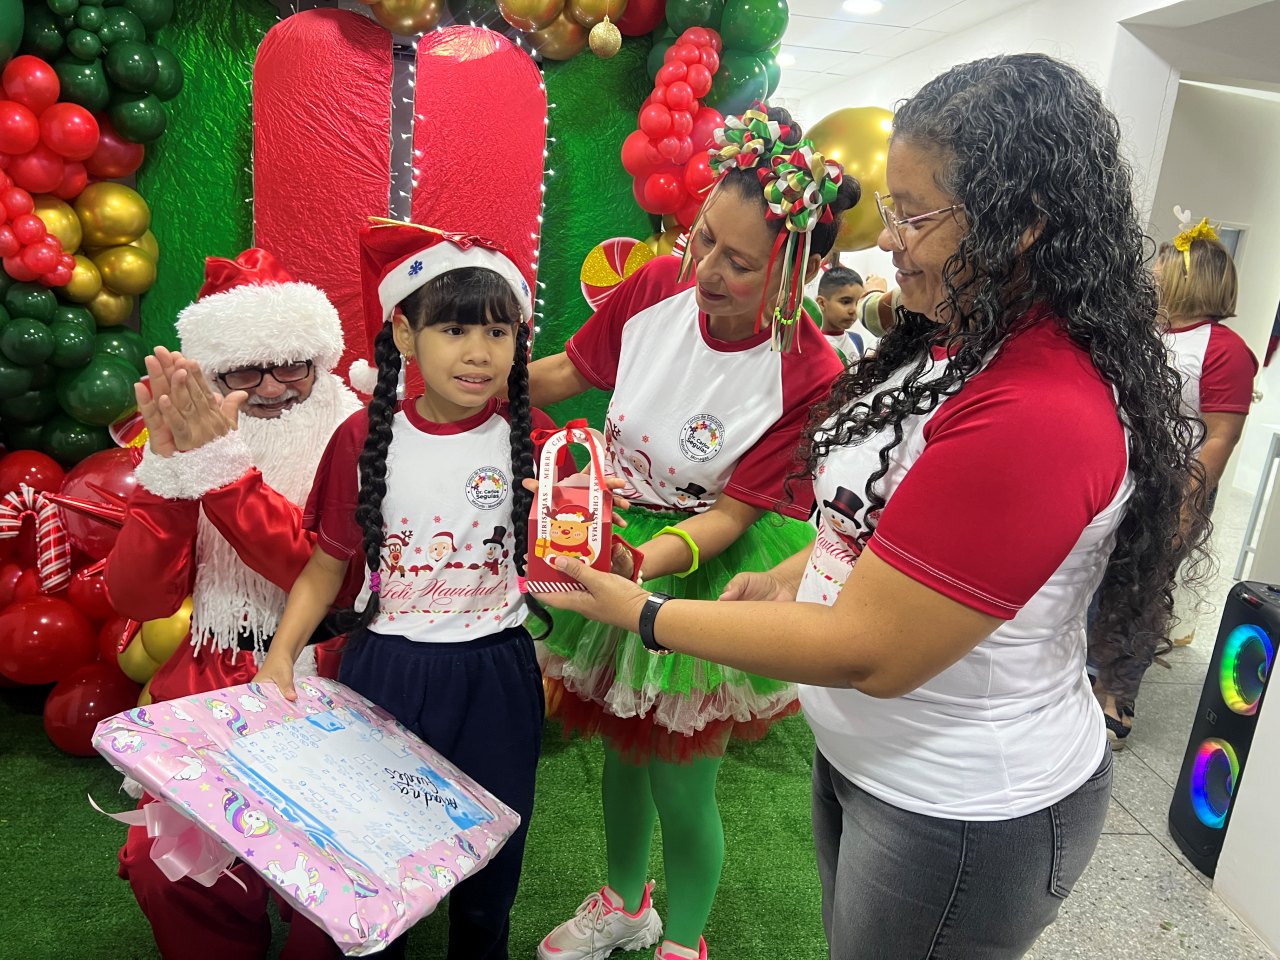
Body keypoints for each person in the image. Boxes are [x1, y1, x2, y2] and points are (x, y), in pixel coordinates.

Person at [531, 55, 1206, 960]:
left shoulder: (1038, 410)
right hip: (881, 767)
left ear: (1022, 226)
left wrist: (645, 614)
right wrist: (786, 575)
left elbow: (875, 650)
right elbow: (872, 528)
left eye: (914, 216)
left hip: (955, 806)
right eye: (890, 209)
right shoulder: (954, 343)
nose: (886, 242)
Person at [531, 103, 855, 960]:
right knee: (622, 750)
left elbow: (732, 516)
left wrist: (639, 568)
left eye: (739, 262)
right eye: (704, 238)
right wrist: (466, 385)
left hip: (697, 564)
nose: (706, 268)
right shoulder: (656, 285)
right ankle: (625, 901)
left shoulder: (807, 369)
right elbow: (569, 370)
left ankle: (684, 941)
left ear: (794, 273)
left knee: (680, 778)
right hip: (617, 529)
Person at [254, 222, 552, 960]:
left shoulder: (534, 437)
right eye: (453, 329)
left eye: (498, 331)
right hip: (385, 673)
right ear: (405, 332)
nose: (479, 352)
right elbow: (326, 565)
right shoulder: (362, 437)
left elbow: (565, 561)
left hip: (497, 676)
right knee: (378, 864)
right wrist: (280, 656)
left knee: (490, 871)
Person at [104, 248, 363, 960]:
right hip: (214, 670)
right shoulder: (192, 447)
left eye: (294, 366)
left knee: (336, 886)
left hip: (337, 674)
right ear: (213, 375)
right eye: (246, 370)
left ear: (323, 359)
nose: (274, 388)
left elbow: (330, 576)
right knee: (174, 874)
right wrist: (171, 478)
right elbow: (135, 594)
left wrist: (224, 477)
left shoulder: (362, 433)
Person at [1092, 217, 1258, 745]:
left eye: (1160, 266)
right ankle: (1073, 683)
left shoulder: (1226, 350)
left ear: (1188, 279)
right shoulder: (1143, 332)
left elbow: (1220, 437)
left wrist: (1185, 506)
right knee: (1090, 583)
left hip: (1168, 493)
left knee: (1138, 593)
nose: (1151, 273)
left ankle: (1114, 696)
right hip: (1111, 482)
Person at [816, 265, 867, 363]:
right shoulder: (810, 344)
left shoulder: (856, 340)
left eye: (858, 303)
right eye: (846, 302)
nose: (853, 310)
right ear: (822, 303)